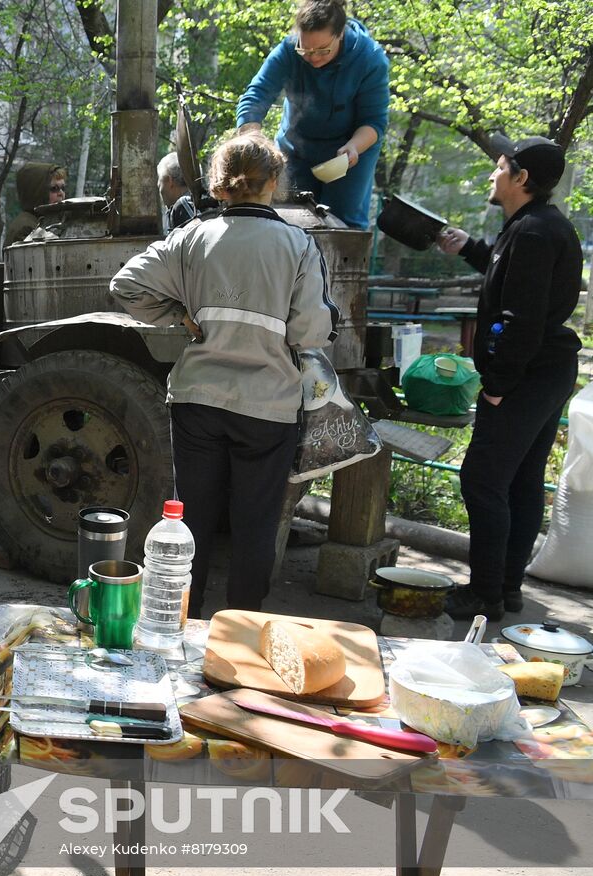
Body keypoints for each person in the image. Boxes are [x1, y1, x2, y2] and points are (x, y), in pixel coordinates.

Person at [109, 130, 338, 616]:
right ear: (273, 182)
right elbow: (310, 332)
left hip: (198, 400)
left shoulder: (192, 236)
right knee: (256, 524)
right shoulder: (298, 245)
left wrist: (178, 314)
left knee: (190, 519)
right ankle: (242, 631)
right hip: (268, 406)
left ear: (219, 184)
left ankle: (182, 622)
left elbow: (125, 285)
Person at [435, 136, 583, 620]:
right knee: (520, 481)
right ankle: (506, 586)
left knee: (483, 478)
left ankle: (485, 594)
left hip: (529, 376)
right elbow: (511, 274)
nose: (492, 175)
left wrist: (498, 384)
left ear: (521, 179)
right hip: (544, 372)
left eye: (500, 167)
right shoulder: (530, 226)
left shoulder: (535, 233)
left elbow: (521, 318)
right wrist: (471, 248)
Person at [236, 0, 389, 229]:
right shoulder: (288, 50)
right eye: (305, 49)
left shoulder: (370, 59)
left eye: (322, 50)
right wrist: (252, 137)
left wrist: (354, 146)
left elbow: (374, 122)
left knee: (343, 225)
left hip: (349, 153)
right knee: (287, 219)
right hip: (295, 148)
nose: (313, 57)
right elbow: (256, 95)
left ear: (341, 35)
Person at [2, 163, 67, 248]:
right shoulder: (26, 228)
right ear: (37, 192)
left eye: (63, 188)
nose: (61, 193)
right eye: (54, 189)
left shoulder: (46, 221)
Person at [157, 153, 199, 230]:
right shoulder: (201, 202)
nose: (159, 187)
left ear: (170, 181)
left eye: (159, 181)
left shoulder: (183, 207)